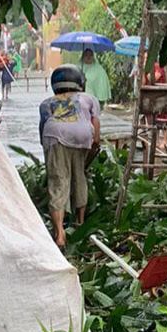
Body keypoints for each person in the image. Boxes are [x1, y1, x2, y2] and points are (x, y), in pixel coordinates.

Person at [39, 64, 100, 248]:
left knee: (58, 182)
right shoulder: (89, 99)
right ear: (80, 82)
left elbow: (43, 132)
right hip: (82, 136)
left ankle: (59, 233)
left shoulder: (46, 103)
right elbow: (96, 136)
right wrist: (89, 157)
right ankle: (79, 222)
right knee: (80, 178)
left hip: (55, 137)